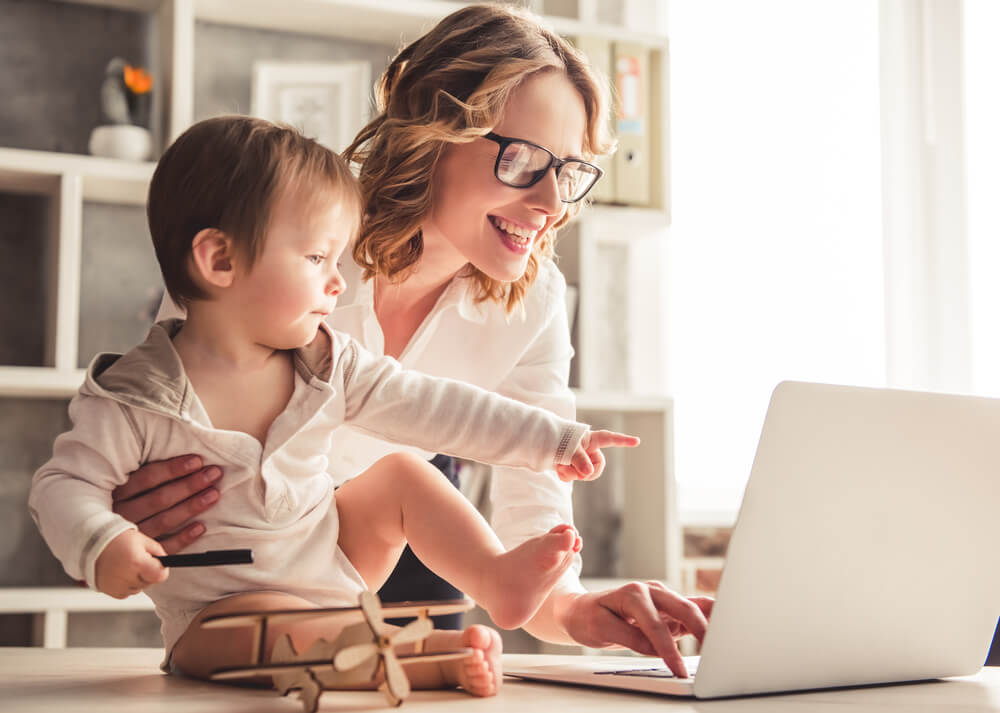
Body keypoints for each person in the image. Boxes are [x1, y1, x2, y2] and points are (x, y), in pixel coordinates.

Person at [115, 3, 712, 678]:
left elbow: (533, 519)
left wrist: (577, 608)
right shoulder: (285, 244)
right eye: (523, 159)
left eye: (568, 172)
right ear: (436, 132)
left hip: (396, 545)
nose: (551, 203)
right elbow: (147, 432)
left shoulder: (535, 303)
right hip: (245, 563)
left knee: (413, 497)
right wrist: (122, 505)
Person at [29, 115, 640, 696]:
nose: (338, 281)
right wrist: (103, 540)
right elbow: (63, 486)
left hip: (335, 565)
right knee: (270, 631)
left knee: (405, 471)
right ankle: (413, 662)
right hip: (219, 619)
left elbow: (438, 407)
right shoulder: (136, 394)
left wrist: (555, 439)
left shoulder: (327, 362)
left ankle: (495, 577)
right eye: (318, 259)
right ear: (219, 260)